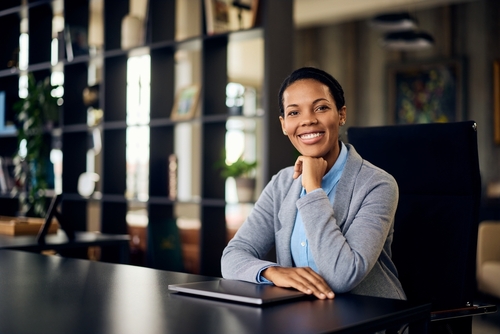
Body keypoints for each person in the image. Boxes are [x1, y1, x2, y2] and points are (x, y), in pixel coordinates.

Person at [221, 67, 406, 301]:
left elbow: (343, 276)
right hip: (299, 314)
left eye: (321, 108)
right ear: (284, 124)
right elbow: (232, 256)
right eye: (294, 112)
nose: (308, 120)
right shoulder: (282, 183)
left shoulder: (378, 184)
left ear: (341, 115)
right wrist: (272, 272)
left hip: (369, 317)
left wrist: (312, 189)